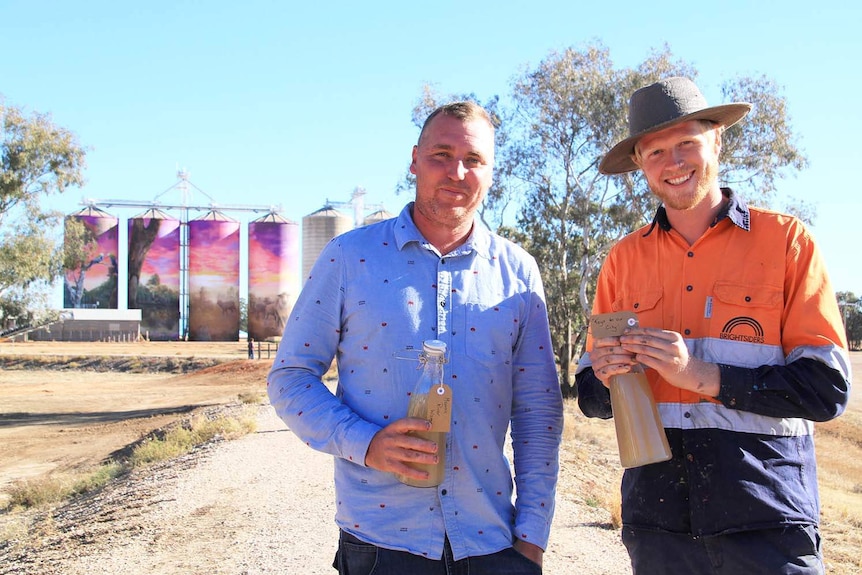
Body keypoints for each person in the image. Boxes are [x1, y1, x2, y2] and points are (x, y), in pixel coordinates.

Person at [267, 101, 563, 574]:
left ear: (491, 171)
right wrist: (366, 443)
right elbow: (290, 378)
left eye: (474, 160)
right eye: (441, 155)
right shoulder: (350, 257)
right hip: (381, 545)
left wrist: (531, 537)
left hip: (493, 545)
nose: (457, 172)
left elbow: (538, 411)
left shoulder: (518, 273)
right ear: (413, 160)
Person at [575, 76, 851, 574]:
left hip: (766, 522)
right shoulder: (622, 259)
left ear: (716, 140)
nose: (673, 163)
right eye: (655, 151)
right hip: (657, 527)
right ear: (639, 163)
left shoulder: (787, 242)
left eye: (686, 143)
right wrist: (605, 373)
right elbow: (592, 398)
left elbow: (825, 389)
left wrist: (701, 376)